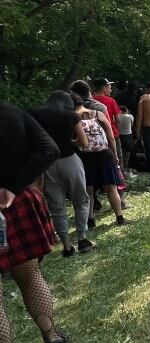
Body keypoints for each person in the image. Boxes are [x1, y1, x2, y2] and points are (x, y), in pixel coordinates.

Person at [0, 104, 69, 343]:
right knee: (29, 277)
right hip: (17, 203)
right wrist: (13, 186)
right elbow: (49, 149)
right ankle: (52, 338)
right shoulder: (11, 113)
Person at [29, 91, 94, 256]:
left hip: (47, 164)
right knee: (81, 201)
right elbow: (84, 143)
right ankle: (82, 239)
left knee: (57, 208)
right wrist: (72, 142)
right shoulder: (71, 117)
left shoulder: (35, 114)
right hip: (70, 161)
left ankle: (66, 246)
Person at [73, 93, 127, 226]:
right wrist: (114, 155)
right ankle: (120, 217)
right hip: (104, 154)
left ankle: (90, 220)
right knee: (111, 189)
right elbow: (110, 137)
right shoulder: (98, 114)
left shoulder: (72, 118)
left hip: (85, 157)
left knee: (88, 191)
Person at [116, 106, 135, 177]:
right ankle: (128, 169)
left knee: (121, 153)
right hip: (128, 135)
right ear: (126, 110)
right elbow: (132, 124)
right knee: (128, 152)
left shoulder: (117, 116)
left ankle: (122, 170)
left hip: (120, 135)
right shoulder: (130, 116)